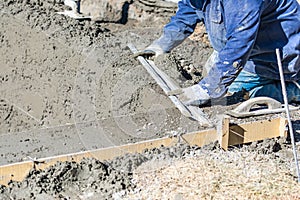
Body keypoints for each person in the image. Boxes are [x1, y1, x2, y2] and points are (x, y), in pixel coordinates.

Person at [135, 0, 300, 106]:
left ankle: (292, 89)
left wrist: (207, 88)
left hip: (273, 55)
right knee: (211, 72)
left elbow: (240, 42)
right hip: (246, 48)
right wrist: (161, 45)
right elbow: (187, 13)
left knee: (233, 94)